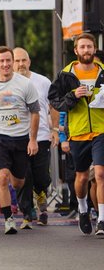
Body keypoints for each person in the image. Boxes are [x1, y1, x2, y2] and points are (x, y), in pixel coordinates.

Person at [0, 46, 40, 235]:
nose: (5, 64)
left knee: (18, 182)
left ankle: (12, 195)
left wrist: (33, 140)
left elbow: (35, 113)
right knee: (2, 177)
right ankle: (8, 219)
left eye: (8, 60)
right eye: (1, 61)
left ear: (13, 62)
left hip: (20, 138)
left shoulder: (25, 84)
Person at [49, 33, 104, 235]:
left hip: (101, 130)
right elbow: (54, 100)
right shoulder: (66, 74)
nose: (86, 50)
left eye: (89, 47)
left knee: (100, 174)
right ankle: (82, 208)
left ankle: (102, 220)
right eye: (82, 47)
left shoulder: (103, 71)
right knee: (81, 178)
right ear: (76, 51)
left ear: (95, 49)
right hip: (78, 132)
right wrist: (73, 96)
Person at [13, 47, 55, 227]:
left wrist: (56, 130)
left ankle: (41, 193)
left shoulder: (43, 81)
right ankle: (28, 213)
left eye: (24, 60)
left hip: (42, 136)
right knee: (24, 175)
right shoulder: (8, 83)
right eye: (17, 61)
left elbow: (53, 106)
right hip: (18, 136)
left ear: (29, 62)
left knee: (41, 176)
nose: (21, 64)